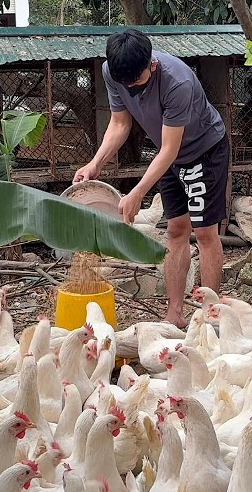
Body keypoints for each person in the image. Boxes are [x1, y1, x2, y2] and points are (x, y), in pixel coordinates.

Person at [73, 29, 230, 327]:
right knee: (175, 230)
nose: (130, 88)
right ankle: (175, 314)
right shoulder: (113, 70)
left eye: (136, 82)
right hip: (167, 155)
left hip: (203, 151)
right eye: (125, 83)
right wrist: (95, 164)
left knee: (206, 233)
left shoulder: (177, 82)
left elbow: (171, 149)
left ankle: (211, 317)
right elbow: (120, 123)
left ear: (152, 65)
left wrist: (137, 192)